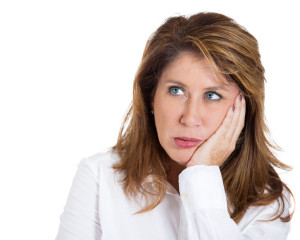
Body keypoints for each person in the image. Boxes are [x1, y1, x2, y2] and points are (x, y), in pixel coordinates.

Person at [56, 12, 294, 239]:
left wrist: (202, 174)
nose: (189, 118)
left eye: (212, 95)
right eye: (176, 90)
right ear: (151, 97)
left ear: (243, 108)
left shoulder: (268, 202)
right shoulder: (99, 176)